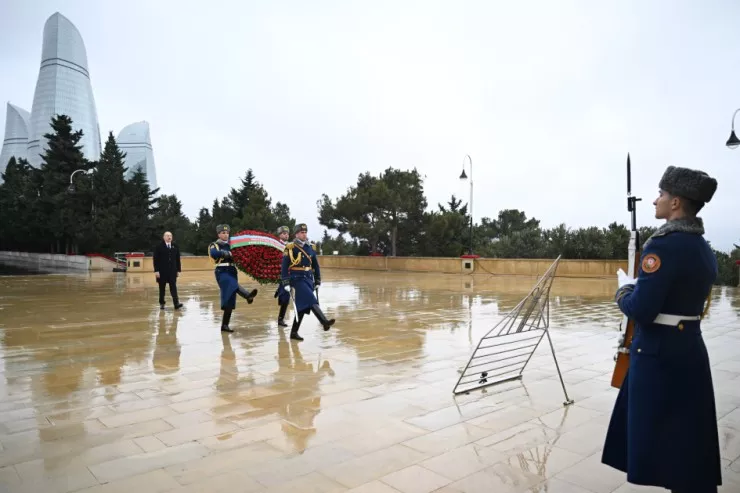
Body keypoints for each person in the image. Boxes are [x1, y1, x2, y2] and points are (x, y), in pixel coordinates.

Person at [602, 166, 722, 493]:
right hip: (689, 349)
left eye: (661, 194)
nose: (656, 200)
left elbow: (642, 309)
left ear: (675, 202)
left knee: (661, 441)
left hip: (658, 356)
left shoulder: (663, 246)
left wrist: (624, 290)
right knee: (687, 442)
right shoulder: (702, 247)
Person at [280, 223, 335, 341]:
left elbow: (315, 265)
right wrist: (285, 282)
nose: (304, 234)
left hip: (308, 279)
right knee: (311, 299)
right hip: (297, 279)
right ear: (296, 234)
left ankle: (293, 333)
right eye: (302, 232)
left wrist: (318, 280)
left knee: (302, 307)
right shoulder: (290, 247)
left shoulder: (310, 247)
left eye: (305, 232)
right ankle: (324, 321)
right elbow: (284, 267)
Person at [208, 224, 259, 332]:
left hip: (232, 271)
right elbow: (214, 253)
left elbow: (239, 256)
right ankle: (247, 295)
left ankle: (225, 325)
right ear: (218, 234)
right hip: (222, 271)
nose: (226, 235)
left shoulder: (233, 245)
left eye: (227, 233)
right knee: (232, 284)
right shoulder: (215, 244)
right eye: (223, 233)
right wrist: (228, 254)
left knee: (230, 299)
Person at [153, 231, 183, 310]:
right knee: (162, 288)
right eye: (167, 236)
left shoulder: (175, 246)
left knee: (173, 287)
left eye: (170, 236)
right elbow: (155, 259)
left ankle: (176, 304)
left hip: (172, 271)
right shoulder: (159, 246)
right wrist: (156, 271)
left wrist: (178, 270)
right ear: (164, 237)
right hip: (161, 271)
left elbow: (178, 259)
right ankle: (162, 303)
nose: (169, 237)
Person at [274, 225, 292, 327]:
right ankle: (280, 320)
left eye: (287, 234)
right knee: (285, 297)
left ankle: (279, 291)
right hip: (281, 273)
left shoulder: (290, 245)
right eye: (284, 233)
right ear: (280, 235)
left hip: (289, 273)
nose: (286, 235)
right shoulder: (276, 245)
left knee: (286, 296)